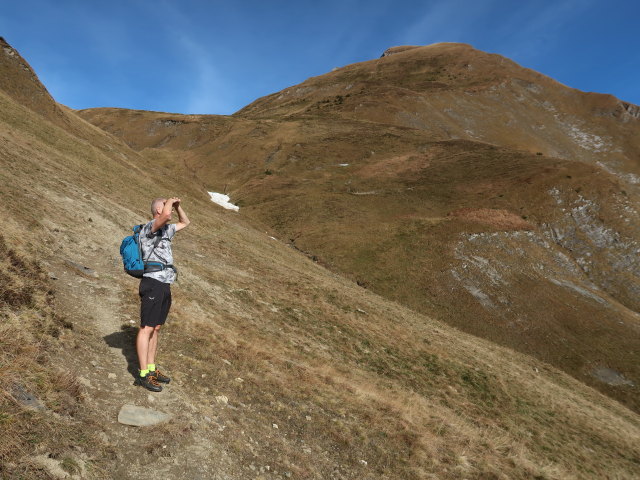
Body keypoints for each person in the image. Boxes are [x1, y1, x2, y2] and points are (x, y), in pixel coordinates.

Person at [134, 197, 190, 392]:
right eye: (166, 206)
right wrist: (170, 202)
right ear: (158, 209)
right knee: (146, 328)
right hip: (152, 282)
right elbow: (166, 215)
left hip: (165, 282)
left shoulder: (167, 230)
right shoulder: (150, 228)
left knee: (155, 328)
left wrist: (178, 206)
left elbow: (185, 223)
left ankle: (151, 368)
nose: (171, 211)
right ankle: (143, 375)